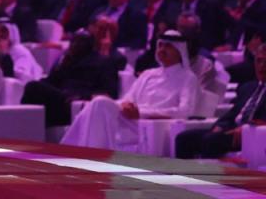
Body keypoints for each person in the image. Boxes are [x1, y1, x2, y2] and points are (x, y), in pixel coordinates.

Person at [61, 30, 198, 150]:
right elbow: (128, 99)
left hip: (150, 125)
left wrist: (142, 113)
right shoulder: (148, 74)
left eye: (168, 46)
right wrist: (123, 105)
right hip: (130, 119)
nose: (162, 49)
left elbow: (185, 111)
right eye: (160, 45)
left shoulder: (187, 78)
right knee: (98, 103)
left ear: (179, 51)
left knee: (100, 103)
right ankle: (82, 156)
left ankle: (73, 154)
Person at [176, 44, 266, 158]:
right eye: (259, 61)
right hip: (230, 131)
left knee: (211, 140)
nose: (262, 66)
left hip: (252, 135)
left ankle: (207, 175)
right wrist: (219, 127)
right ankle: (183, 174)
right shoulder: (248, 88)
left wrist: (246, 129)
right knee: (184, 138)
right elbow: (231, 115)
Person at [21, 31, 119, 127]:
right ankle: (27, 131)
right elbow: (52, 81)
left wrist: (81, 97)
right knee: (33, 89)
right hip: (61, 100)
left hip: (78, 105)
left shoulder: (103, 63)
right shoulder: (69, 61)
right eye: (73, 42)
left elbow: (109, 94)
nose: (74, 46)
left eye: (79, 42)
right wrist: (61, 66)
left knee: (33, 87)